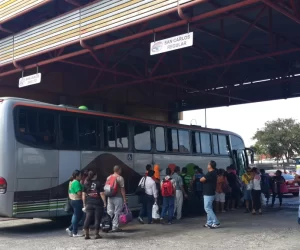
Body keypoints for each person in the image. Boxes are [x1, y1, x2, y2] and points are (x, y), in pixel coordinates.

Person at [82, 170, 106, 240]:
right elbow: (101, 193)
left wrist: (84, 204)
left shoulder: (86, 183)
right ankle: (96, 234)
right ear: (95, 175)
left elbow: (83, 195)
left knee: (87, 218)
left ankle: (87, 234)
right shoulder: (98, 183)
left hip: (89, 203)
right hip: (97, 203)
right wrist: (104, 202)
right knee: (97, 219)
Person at [106, 165, 126, 232]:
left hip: (109, 197)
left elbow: (106, 188)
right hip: (118, 197)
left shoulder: (109, 177)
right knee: (117, 212)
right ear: (119, 170)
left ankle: (108, 225)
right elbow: (122, 189)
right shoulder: (120, 178)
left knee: (110, 212)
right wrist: (124, 199)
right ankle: (115, 227)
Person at [200, 160, 220, 229]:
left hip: (208, 193)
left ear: (210, 166)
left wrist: (202, 178)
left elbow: (201, 179)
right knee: (209, 208)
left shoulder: (210, 173)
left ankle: (216, 222)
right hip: (210, 192)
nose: (207, 165)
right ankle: (209, 222)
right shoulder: (213, 172)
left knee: (207, 208)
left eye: (208, 164)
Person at [66, 170, 84, 237]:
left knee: (77, 215)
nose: (81, 176)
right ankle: (75, 232)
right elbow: (79, 193)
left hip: (72, 200)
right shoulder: (76, 183)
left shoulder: (71, 182)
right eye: (80, 175)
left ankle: (70, 229)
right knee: (77, 216)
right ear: (77, 176)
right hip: (77, 200)